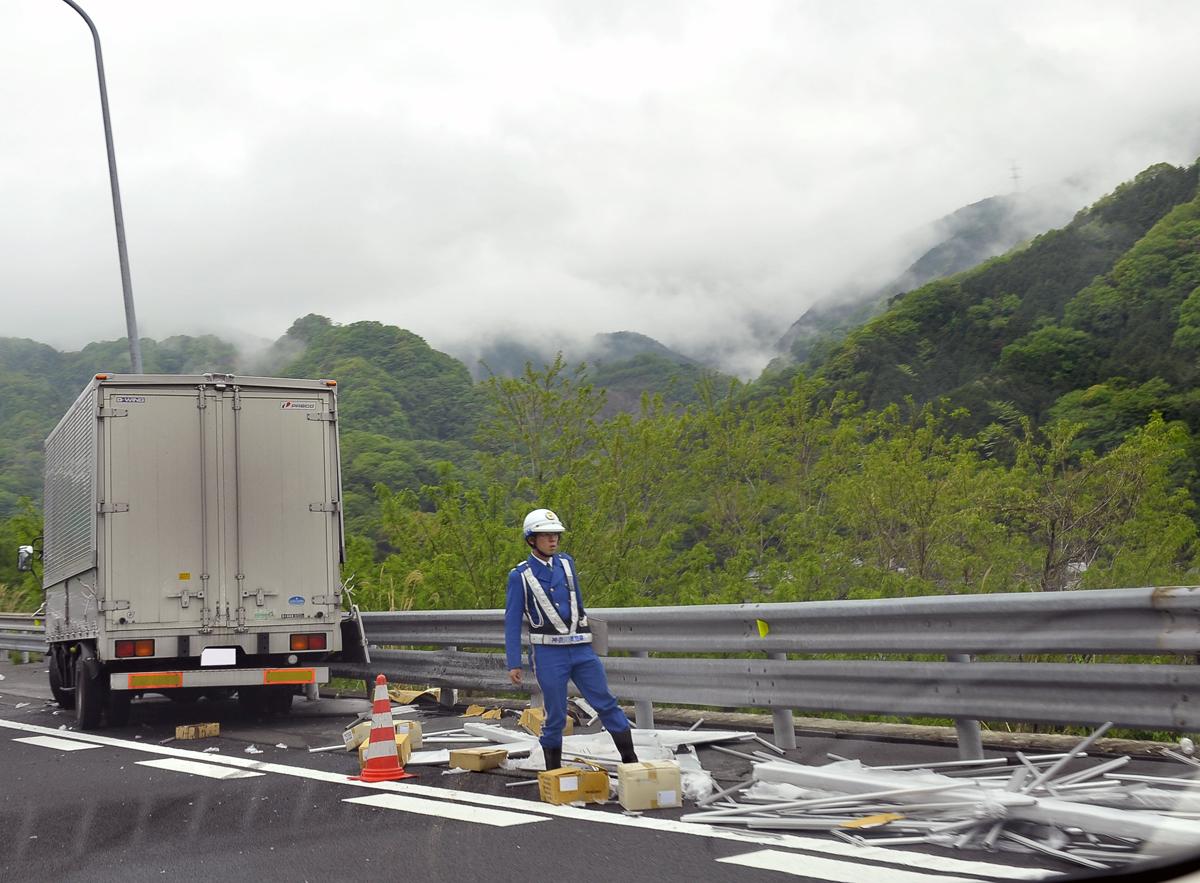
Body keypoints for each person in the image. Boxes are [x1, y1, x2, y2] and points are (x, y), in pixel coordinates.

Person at [505, 508, 638, 771]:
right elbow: (511, 620)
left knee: (606, 703)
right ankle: (553, 775)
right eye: (546, 536)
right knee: (555, 714)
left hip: (581, 650)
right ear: (532, 539)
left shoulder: (567, 563)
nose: (553, 540)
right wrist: (514, 662)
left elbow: (578, 604)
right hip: (548, 654)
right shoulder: (520, 575)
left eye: (556, 535)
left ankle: (632, 764)